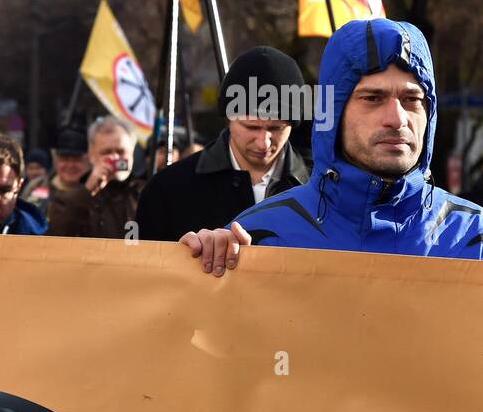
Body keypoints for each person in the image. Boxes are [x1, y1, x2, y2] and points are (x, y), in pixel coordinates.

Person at [182, 18, 483, 274]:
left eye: (412, 99)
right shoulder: (258, 237)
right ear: (332, 113)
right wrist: (199, 269)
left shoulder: (474, 237)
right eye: (373, 98)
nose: (397, 119)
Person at [137, 47, 311, 242]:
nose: (264, 142)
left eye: (276, 128)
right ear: (229, 118)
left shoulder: (323, 190)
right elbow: (141, 266)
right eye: (251, 127)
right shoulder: (167, 190)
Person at [48, 116, 144, 239]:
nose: (114, 158)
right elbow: (57, 234)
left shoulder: (144, 193)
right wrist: (88, 190)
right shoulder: (71, 197)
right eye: (106, 152)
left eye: (120, 152)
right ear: (91, 155)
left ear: (131, 153)